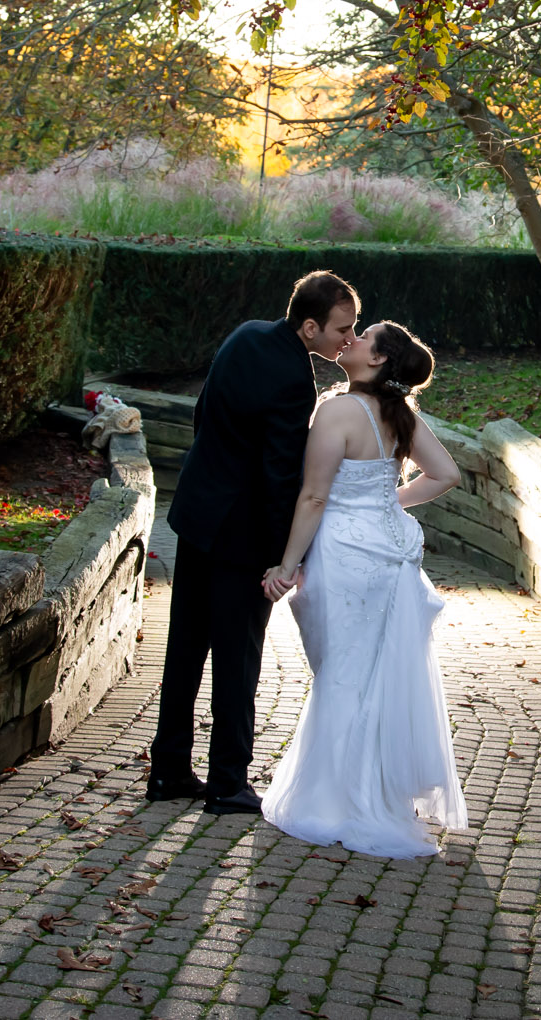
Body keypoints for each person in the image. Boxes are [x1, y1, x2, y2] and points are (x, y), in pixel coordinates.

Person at [147, 270, 357, 814]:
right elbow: (280, 475)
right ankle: (227, 782)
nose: (349, 339)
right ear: (309, 327)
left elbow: (202, 415)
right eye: (342, 329)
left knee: (185, 648)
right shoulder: (295, 379)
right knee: (237, 659)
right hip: (241, 537)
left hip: (197, 515)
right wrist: (283, 558)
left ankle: (168, 770)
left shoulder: (245, 334)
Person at [258, 320, 470, 859]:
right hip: (389, 555)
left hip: (344, 555)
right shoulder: (399, 414)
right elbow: (445, 474)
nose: (351, 338)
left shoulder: (337, 410)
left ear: (377, 360)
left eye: (364, 335)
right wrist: (386, 502)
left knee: (340, 673)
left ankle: (333, 801)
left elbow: (313, 496)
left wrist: (287, 565)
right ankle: (376, 793)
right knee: (373, 673)